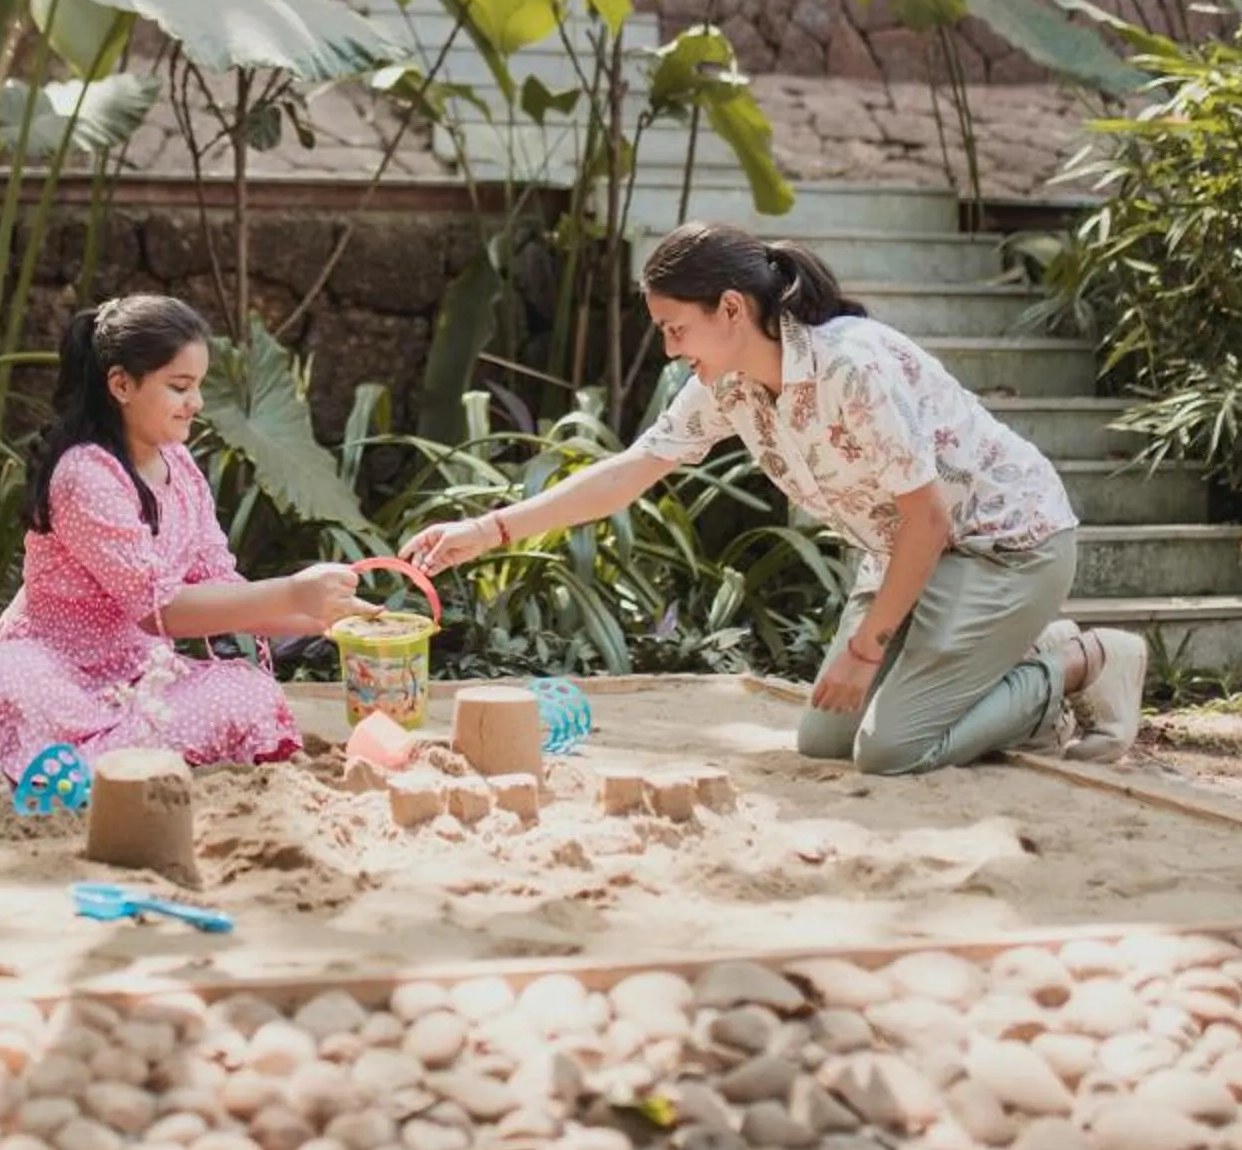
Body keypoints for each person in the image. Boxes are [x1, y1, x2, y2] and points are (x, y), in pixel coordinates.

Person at [404, 222, 1146, 774]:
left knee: (891, 751)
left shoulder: (850, 368)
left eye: (675, 329)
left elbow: (928, 518)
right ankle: (1009, 652)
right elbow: (631, 471)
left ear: (731, 308)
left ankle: (1081, 661)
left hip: (1003, 549)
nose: (669, 350)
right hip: (911, 558)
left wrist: (865, 649)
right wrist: (488, 529)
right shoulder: (727, 385)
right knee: (825, 740)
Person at [0, 293, 374, 793]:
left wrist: (323, 618)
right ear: (121, 385)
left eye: (198, 386)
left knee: (248, 694)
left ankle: (57, 767)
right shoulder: (84, 474)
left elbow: (221, 589)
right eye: (180, 387)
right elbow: (158, 609)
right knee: (7, 676)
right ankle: (65, 764)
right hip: (56, 675)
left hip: (143, 681)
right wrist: (294, 592)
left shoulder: (180, 467)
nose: (197, 403)